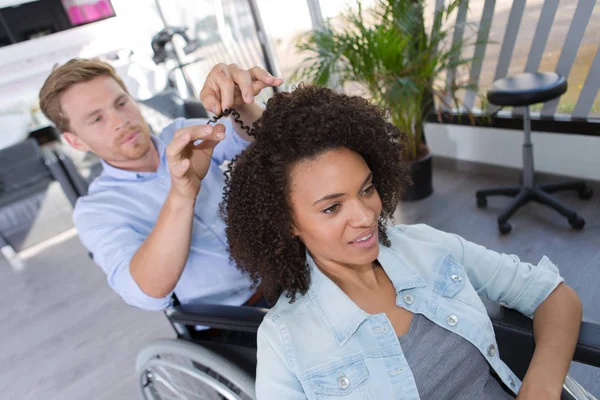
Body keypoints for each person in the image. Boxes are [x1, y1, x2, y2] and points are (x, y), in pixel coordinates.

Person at [221, 85, 583, 399]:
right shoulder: (285, 341)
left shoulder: (425, 248)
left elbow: (553, 294)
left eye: (366, 189)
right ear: (286, 223)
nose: (365, 216)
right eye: (332, 208)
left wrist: (540, 389)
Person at [38, 60, 282, 311]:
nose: (120, 120)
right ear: (76, 141)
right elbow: (144, 291)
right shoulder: (96, 211)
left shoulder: (179, 134)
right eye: (97, 118)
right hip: (238, 316)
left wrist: (242, 106)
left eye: (121, 103)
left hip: (287, 269)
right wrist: (182, 195)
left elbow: (259, 136)